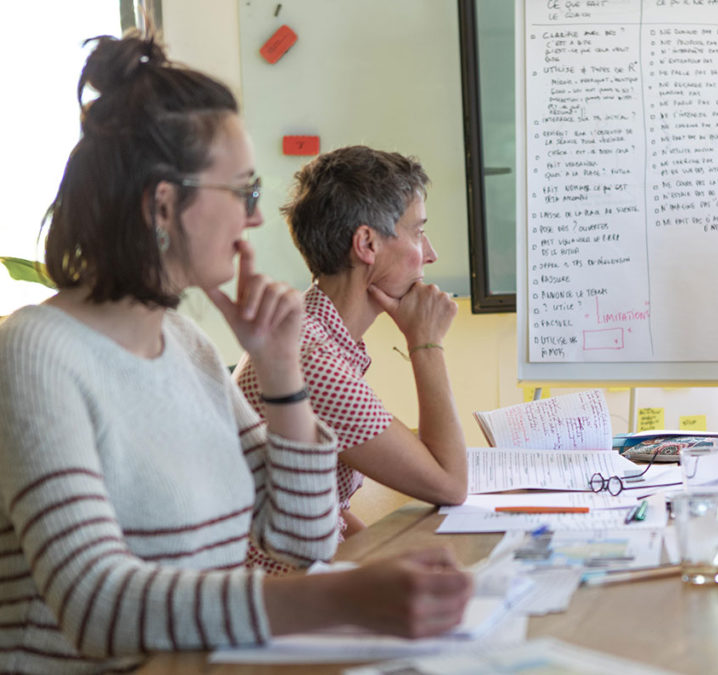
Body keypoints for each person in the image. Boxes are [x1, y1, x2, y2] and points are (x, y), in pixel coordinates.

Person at [0, 31, 471, 673]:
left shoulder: (186, 349)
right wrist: (337, 597)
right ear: (163, 205)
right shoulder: (37, 351)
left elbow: (300, 539)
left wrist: (281, 375)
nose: (254, 219)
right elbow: (94, 604)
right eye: (243, 193)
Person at [233, 145, 467, 574]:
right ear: (367, 244)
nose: (430, 253)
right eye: (417, 232)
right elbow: (450, 484)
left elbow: (331, 507)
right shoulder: (312, 359)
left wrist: (388, 563)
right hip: (276, 605)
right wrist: (426, 342)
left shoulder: (317, 332)